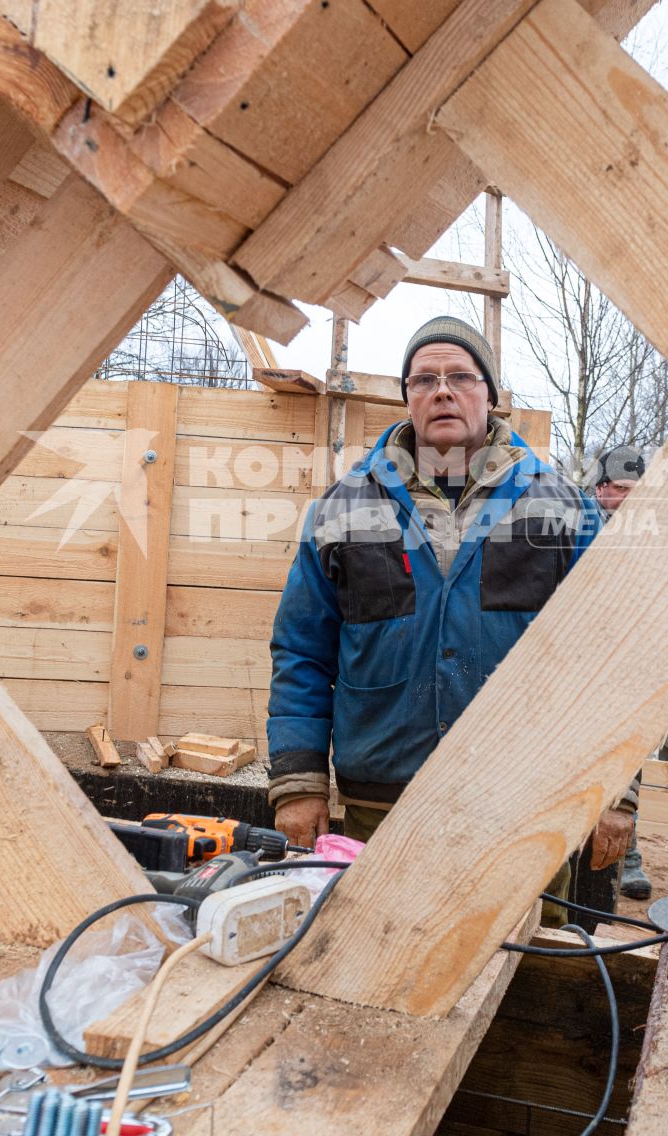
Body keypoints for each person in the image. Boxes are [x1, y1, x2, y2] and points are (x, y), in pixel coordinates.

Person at [266, 317, 631, 922]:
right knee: (367, 952)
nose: (442, 390)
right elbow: (302, 650)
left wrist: (616, 789)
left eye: (461, 376)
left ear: (490, 396)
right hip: (377, 805)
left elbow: (611, 652)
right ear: (407, 397)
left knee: (520, 968)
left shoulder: (561, 507)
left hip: (520, 803)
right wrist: (300, 781)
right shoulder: (343, 508)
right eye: (424, 378)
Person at [589, 443, 654, 901]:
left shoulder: (646, 538)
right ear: (601, 489)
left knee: (632, 751)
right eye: (624, 490)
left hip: (630, 662)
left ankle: (628, 852)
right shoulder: (575, 528)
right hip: (579, 666)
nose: (633, 499)